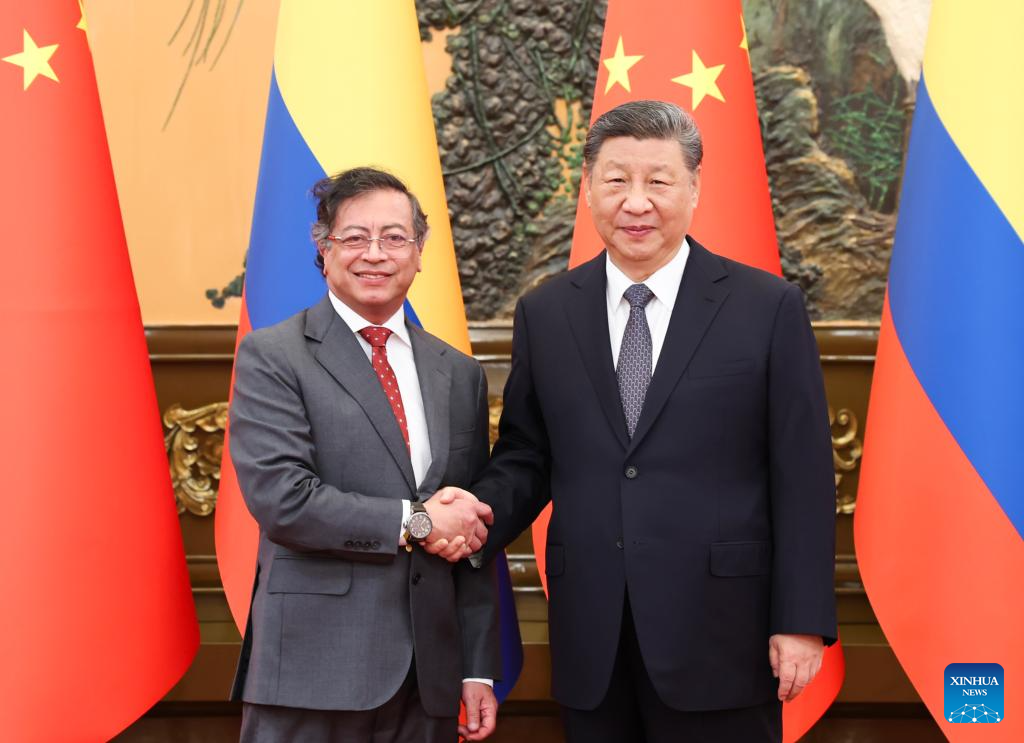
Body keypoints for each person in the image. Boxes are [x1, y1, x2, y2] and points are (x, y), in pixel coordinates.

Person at [439, 100, 837, 742]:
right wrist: (472, 515)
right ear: (589, 188)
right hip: (593, 636)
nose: (636, 202)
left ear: (695, 188)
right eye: (617, 179)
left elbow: (804, 475)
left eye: (658, 180)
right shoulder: (546, 313)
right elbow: (528, 455)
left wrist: (801, 620)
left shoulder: (767, 308)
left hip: (723, 634)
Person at [228, 167, 501, 742]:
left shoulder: (459, 373)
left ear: (420, 251)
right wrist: (418, 521)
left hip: (428, 679)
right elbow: (284, 500)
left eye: (394, 237)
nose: (375, 253)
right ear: (324, 251)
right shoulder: (274, 356)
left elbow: (471, 527)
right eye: (354, 238)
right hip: (313, 670)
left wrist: (476, 666)